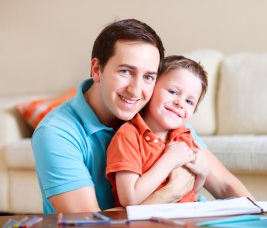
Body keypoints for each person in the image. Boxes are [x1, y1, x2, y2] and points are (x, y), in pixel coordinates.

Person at [32, 18, 252, 214]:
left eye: (148, 77)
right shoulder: (56, 133)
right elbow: (91, 224)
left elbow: (225, 187)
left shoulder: (161, 116)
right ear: (97, 69)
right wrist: (171, 192)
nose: (136, 91)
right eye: (125, 72)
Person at [106, 55, 210, 206]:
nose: (180, 103)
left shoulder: (184, 136)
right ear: (152, 88)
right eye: (173, 92)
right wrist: (169, 160)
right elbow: (129, 200)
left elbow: (191, 192)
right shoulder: (128, 136)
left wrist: (202, 174)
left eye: (189, 101)